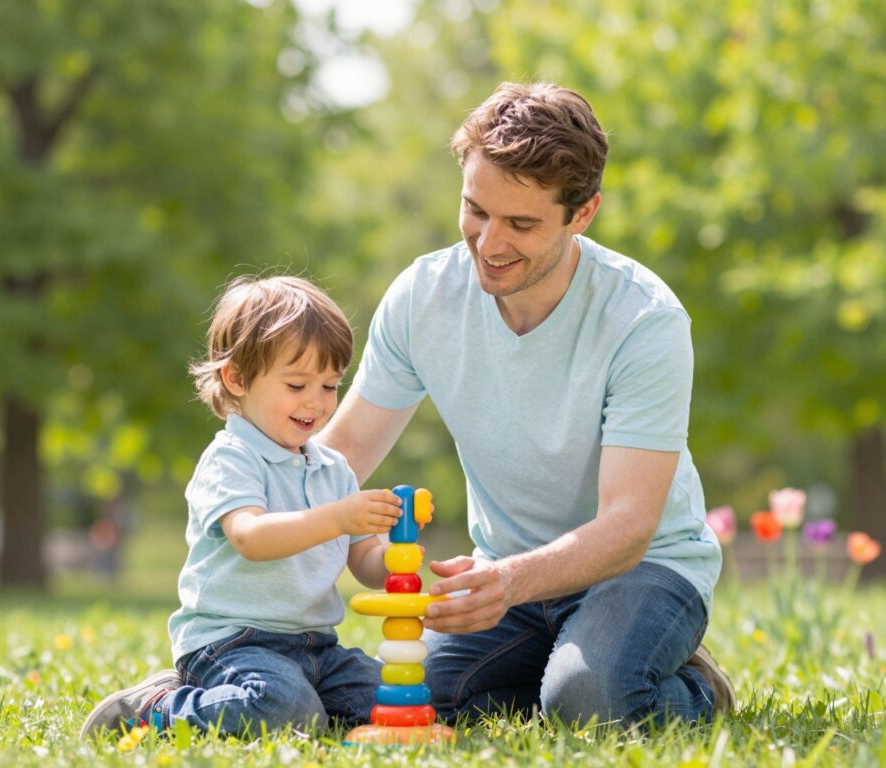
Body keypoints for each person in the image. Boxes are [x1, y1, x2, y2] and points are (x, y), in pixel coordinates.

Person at [318, 82, 736, 726]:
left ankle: (693, 687)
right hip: (503, 576)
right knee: (409, 704)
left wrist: (510, 581)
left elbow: (628, 525)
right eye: (476, 210)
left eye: (521, 224)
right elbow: (335, 461)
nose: (489, 243)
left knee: (590, 702)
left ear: (583, 213)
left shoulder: (642, 320)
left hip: (643, 570)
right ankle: (567, 667)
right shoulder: (422, 299)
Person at [80, 276, 404, 740]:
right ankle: (156, 707)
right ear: (236, 378)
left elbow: (365, 561)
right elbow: (251, 537)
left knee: (394, 698)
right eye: (297, 384)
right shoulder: (232, 458)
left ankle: (296, 708)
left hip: (316, 647)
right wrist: (337, 517)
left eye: (330, 386)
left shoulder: (333, 468)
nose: (316, 402)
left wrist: (396, 557)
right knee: (283, 707)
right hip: (232, 643)